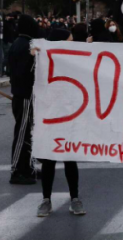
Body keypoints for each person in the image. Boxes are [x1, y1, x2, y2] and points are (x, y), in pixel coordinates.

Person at [36, 28, 86, 217]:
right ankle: (46, 199)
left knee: (69, 158)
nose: (72, 43)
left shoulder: (73, 62)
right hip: (49, 115)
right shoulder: (43, 61)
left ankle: (74, 198)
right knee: (49, 159)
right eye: (69, 40)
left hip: (69, 115)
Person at [7, 15, 40, 185]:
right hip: (25, 95)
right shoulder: (25, 46)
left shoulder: (18, 43)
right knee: (22, 133)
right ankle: (17, 171)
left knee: (27, 132)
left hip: (22, 94)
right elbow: (24, 72)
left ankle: (27, 167)